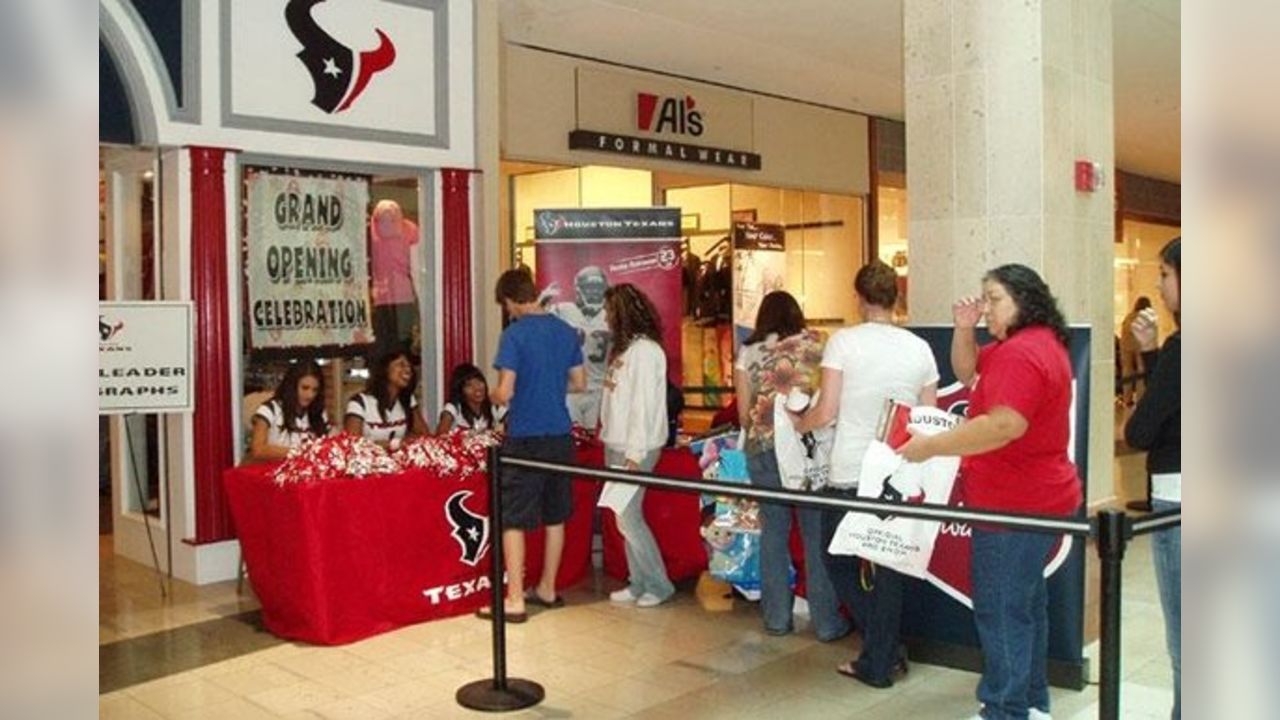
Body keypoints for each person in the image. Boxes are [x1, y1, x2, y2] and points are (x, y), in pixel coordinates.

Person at [900, 264, 1081, 720]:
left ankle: (1004, 709)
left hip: (1011, 506)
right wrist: (963, 330)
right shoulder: (1032, 345)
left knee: (1001, 612)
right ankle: (1031, 702)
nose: (985, 309)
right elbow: (969, 371)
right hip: (1038, 501)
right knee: (1025, 609)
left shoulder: (1021, 353)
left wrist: (931, 447)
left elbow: (1004, 425)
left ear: (1025, 299)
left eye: (994, 298)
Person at [790, 261, 938, 688]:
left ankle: (882, 651)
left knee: (835, 557)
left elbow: (828, 409)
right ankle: (882, 654)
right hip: (900, 468)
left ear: (859, 297)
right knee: (889, 565)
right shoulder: (919, 348)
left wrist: (802, 423)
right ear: (896, 297)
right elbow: (928, 417)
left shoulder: (844, 343)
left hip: (852, 467)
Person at [732, 291, 849, 642]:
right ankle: (827, 622)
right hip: (805, 449)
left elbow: (742, 414)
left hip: (763, 448)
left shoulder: (748, 351)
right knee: (815, 536)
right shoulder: (816, 345)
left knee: (774, 532)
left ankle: (777, 618)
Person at [480, 269, 586, 623]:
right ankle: (547, 588)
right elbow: (579, 383)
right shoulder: (565, 331)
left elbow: (506, 391)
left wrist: (495, 394)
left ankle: (514, 599)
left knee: (513, 518)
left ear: (511, 300)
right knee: (555, 515)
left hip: (524, 436)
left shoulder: (514, 335)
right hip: (559, 434)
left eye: (506, 305)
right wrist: (548, 387)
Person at [1124, 238, 1180, 720]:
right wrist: (1151, 354)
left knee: (1187, 641)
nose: (1160, 287)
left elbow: (1142, 430)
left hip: (1180, 502)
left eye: (1165, 275)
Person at [598, 284, 676, 608]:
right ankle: (639, 580)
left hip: (635, 447)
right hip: (618, 443)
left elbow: (643, 406)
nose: (604, 317)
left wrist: (634, 453)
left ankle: (658, 583)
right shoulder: (629, 350)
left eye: (608, 311)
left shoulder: (645, 352)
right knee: (623, 515)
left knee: (629, 516)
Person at [545, 265, 611, 429]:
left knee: (594, 442)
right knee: (573, 438)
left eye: (598, 287)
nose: (595, 292)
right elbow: (534, 324)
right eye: (589, 287)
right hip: (570, 389)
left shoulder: (610, 315)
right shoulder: (562, 311)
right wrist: (542, 300)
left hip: (599, 390)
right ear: (578, 289)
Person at [247, 361, 331, 462]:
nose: (310, 395)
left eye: (315, 390)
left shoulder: (319, 413)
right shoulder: (270, 410)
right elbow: (258, 450)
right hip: (271, 473)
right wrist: (299, 452)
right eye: (305, 388)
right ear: (292, 386)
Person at [369, 200, 422, 359]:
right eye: (384, 219)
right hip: (388, 297)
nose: (388, 224)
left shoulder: (409, 231)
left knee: (396, 345)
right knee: (393, 345)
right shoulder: (409, 230)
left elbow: (417, 267)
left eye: (392, 219)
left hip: (395, 297)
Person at [344, 350, 428, 447]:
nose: (408, 369)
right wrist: (393, 444)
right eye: (401, 364)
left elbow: (424, 435)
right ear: (385, 369)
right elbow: (352, 444)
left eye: (409, 366)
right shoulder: (359, 402)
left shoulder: (407, 399)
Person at [436, 363, 505, 434]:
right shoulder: (454, 408)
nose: (477, 388)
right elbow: (441, 434)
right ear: (460, 390)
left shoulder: (493, 406)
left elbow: (513, 421)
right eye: (469, 385)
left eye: (479, 382)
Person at [1119, 296, 1154, 406]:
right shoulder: (1144, 318)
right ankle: (1141, 398)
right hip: (1140, 345)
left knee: (1127, 371)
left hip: (1125, 345)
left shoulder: (1128, 317)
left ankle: (1127, 398)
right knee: (1141, 371)